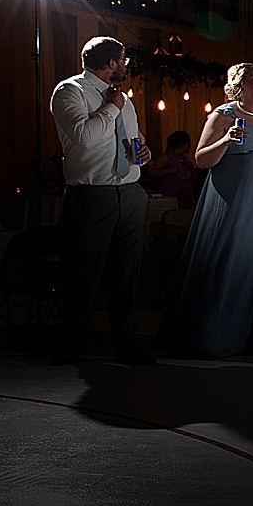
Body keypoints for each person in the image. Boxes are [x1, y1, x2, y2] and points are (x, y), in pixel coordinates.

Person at [156, 61, 253, 357]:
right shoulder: (223, 115)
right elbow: (201, 159)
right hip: (236, 200)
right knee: (232, 261)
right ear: (239, 86)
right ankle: (218, 335)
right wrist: (225, 139)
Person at [48, 34, 154, 366]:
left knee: (127, 274)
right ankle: (72, 343)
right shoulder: (70, 92)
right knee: (86, 273)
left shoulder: (122, 98)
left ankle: (127, 343)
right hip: (92, 194)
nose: (125, 65)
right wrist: (111, 108)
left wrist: (143, 149)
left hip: (130, 192)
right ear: (111, 63)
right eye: (123, 60)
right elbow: (82, 139)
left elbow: (132, 136)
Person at [146, 128, 196, 209]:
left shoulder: (185, 159)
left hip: (185, 193)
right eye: (188, 143)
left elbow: (193, 179)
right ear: (181, 144)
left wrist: (191, 168)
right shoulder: (166, 157)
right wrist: (168, 170)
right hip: (171, 192)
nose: (190, 146)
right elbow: (151, 172)